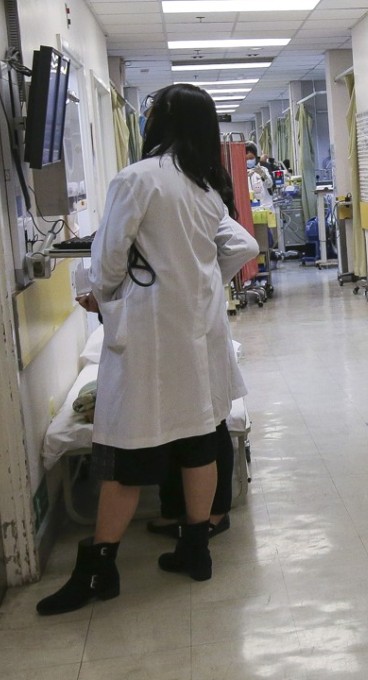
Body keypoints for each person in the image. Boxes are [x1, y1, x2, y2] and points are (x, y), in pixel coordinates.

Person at [36, 83, 259, 616]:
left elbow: (110, 260)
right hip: (196, 333)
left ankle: (100, 568)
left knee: (127, 456)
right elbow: (243, 247)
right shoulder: (203, 186)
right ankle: (196, 551)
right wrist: (200, 283)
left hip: (150, 339)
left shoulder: (137, 179)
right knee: (199, 442)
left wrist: (110, 298)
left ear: (160, 122)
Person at [245, 142, 274, 206]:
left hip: (265, 205)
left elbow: (270, 184)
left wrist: (262, 174)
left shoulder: (263, 169)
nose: (248, 161)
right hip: (251, 208)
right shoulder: (241, 173)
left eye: (251, 158)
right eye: (246, 159)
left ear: (255, 157)